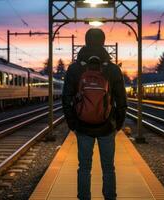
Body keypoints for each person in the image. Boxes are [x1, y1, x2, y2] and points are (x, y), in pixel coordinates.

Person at [62, 28, 127, 200]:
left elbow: (66, 98)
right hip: (107, 127)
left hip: (83, 126)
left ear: (85, 41)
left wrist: (73, 124)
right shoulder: (113, 70)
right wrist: (117, 124)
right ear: (104, 42)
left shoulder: (75, 69)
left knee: (84, 167)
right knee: (108, 167)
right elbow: (121, 101)